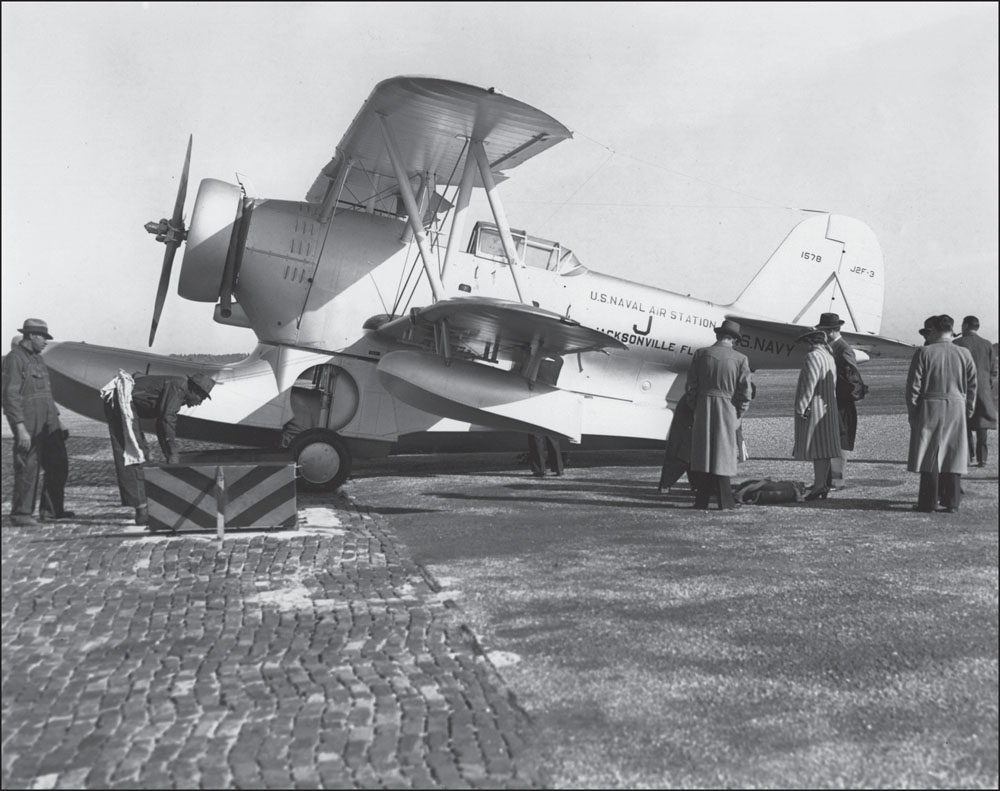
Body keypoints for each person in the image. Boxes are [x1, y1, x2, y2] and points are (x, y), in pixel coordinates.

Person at [101, 370, 216, 525]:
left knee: (142, 451)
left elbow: (162, 421)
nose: (199, 403)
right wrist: (172, 453)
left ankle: (144, 504)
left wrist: (168, 451)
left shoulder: (180, 388)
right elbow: (167, 419)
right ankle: (141, 509)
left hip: (127, 401)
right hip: (122, 399)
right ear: (194, 390)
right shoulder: (179, 386)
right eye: (200, 398)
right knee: (134, 452)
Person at [2, 319, 74, 525]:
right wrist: (20, 428)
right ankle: (21, 515)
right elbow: (9, 396)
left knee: (59, 464)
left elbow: (47, 395)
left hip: (49, 422)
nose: (45, 342)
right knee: (28, 467)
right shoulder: (14, 359)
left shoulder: (38, 360)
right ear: (31, 336)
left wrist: (58, 423)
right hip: (29, 422)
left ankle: (52, 510)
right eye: (42, 337)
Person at [906, 315, 976, 513]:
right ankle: (951, 501)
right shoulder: (964, 353)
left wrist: (913, 412)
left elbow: (913, 387)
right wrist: (968, 410)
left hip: (930, 405)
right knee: (954, 453)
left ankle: (927, 502)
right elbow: (972, 386)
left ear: (934, 330)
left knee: (930, 453)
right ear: (951, 330)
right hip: (957, 406)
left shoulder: (924, 352)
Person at [683, 319, 752, 510]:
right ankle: (725, 501)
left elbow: (691, 386)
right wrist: (739, 412)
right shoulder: (740, 359)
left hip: (704, 405)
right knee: (723, 453)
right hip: (727, 407)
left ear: (718, 336)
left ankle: (702, 500)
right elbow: (745, 392)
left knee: (704, 453)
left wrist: (696, 406)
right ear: (733, 339)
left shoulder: (701, 354)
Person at [813, 312, 867, 489]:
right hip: (836, 400)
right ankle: (830, 479)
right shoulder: (835, 348)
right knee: (833, 438)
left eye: (823, 330)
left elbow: (852, 377)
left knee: (840, 439)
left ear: (830, 331)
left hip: (841, 402)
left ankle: (837, 480)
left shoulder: (843, 349)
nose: (821, 334)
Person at [792, 329, 843, 501]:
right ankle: (821, 484)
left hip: (815, 408)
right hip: (828, 408)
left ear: (810, 342)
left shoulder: (813, 357)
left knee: (817, 448)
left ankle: (820, 485)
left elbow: (809, 385)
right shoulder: (829, 357)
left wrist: (801, 407)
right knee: (824, 449)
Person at [952, 315, 998, 466]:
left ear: (965, 326)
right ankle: (982, 458)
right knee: (982, 423)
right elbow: (993, 370)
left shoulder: (957, 343)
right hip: (983, 389)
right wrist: (987, 386)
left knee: (964, 422)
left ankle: (969, 455)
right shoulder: (987, 344)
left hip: (962, 389)